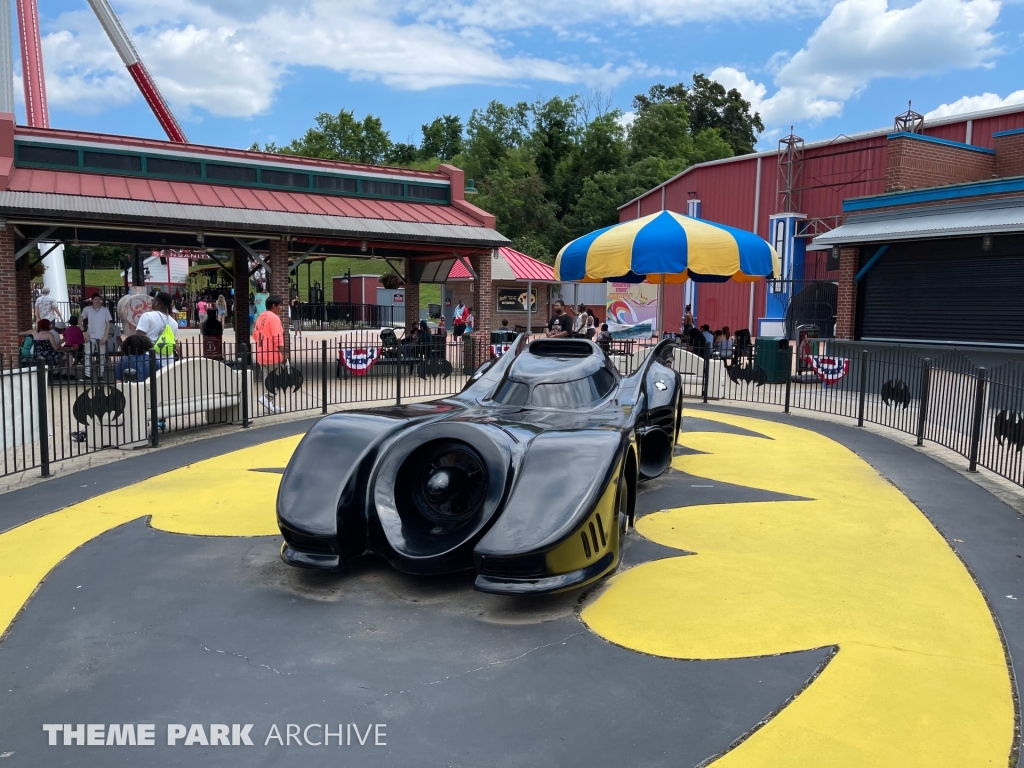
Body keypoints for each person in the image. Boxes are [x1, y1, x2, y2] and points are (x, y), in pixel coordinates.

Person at [253, 295, 288, 414]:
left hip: (261, 353)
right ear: (274, 306)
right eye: (280, 306)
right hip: (273, 355)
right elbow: (277, 338)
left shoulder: (260, 317)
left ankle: (269, 406)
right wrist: (283, 354)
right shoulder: (274, 318)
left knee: (267, 380)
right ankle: (267, 400)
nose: (281, 308)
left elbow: (255, 335)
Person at [135, 291, 179, 364]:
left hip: (150, 359)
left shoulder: (147, 316)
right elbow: (176, 344)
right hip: (168, 361)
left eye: (153, 300)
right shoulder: (174, 323)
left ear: (156, 303)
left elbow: (138, 338)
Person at [81, 293, 112, 379]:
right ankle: (87, 375)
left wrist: (105, 336)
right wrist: (83, 331)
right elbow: (80, 319)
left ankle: (100, 375)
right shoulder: (87, 309)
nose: (97, 301)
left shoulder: (105, 310)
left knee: (101, 356)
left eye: (99, 299)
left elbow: (108, 324)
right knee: (87, 356)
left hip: (101, 336)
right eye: (95, 299)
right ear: (92, 301)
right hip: (90, 336)